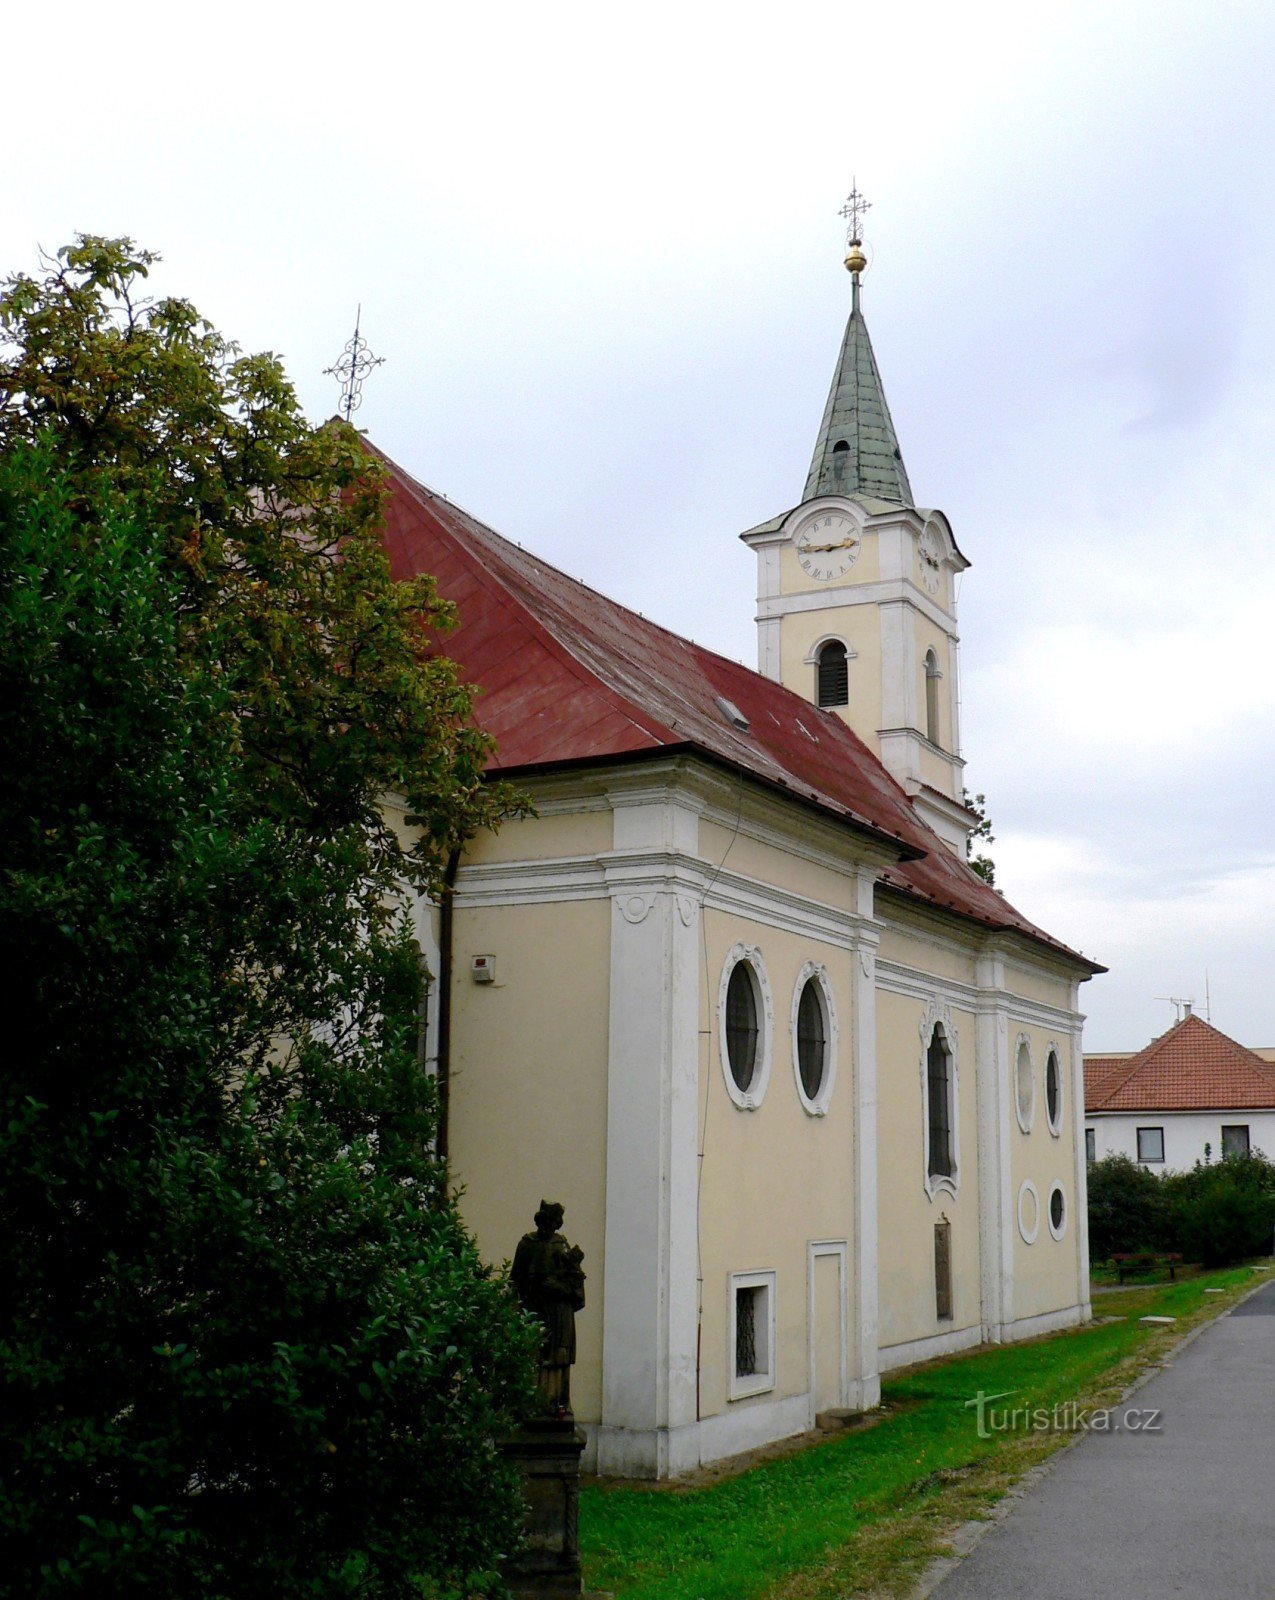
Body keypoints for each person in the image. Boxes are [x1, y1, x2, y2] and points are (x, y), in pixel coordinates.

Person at [511, 1202, 586, 1415]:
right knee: (533, 1354)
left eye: (553, 1222)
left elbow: (575, 1279)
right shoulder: (527, 1244)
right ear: (539, 1220)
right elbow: (516, 1279)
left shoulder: (562, 1245)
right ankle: (531, 1405)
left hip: (559, 1311)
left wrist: (562, 1286)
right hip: (534, 1309)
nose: (549, 1226)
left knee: (559, 1356)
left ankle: (558, 1402)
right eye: (546, 1221)